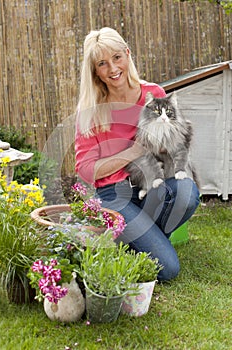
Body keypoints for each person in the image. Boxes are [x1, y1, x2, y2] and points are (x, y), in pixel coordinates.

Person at [75, 27, 200, 281]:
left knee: (186, 192)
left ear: (128, 54)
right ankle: (147, 244)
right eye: (102, 63)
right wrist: (133, 151)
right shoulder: (92, 112)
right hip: (114, 195)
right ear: (95, 71)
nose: (112, 69)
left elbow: (175, 141)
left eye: (117, 58)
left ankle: (139, 242)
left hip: (154, 183)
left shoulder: (152, 94)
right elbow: (86, 171)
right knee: (168, 270)